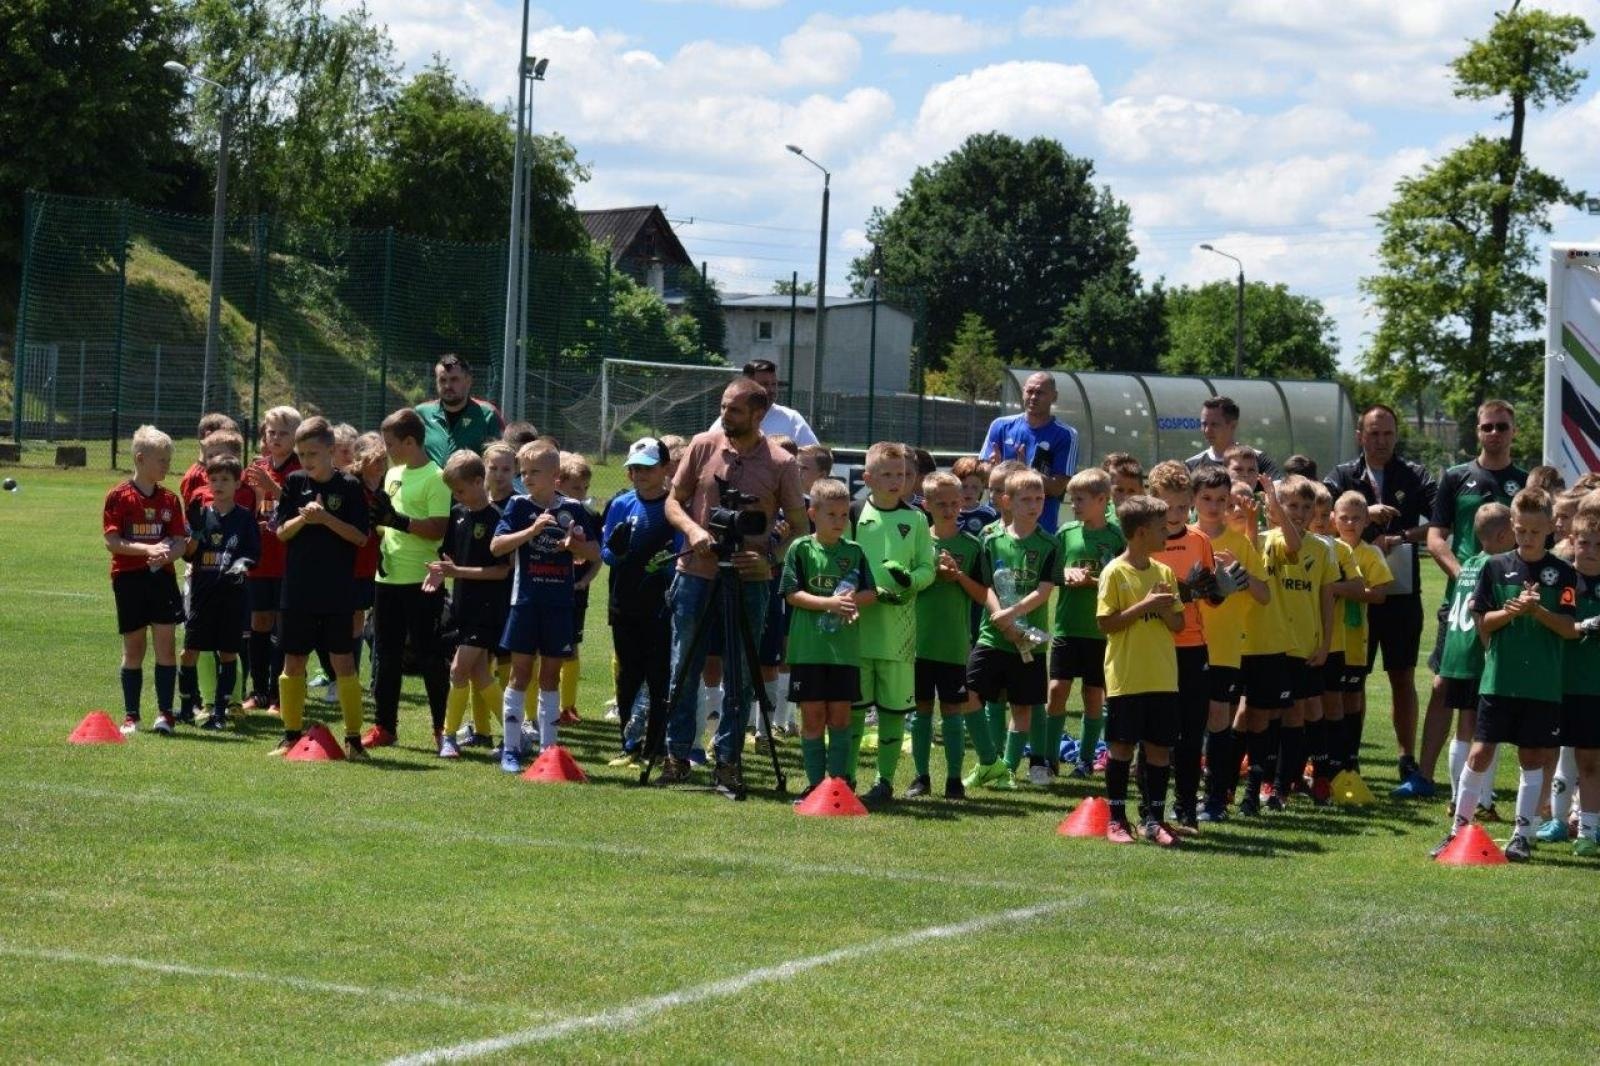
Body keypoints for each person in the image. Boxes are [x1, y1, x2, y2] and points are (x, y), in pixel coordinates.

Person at [660, 378, 807, 797]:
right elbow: (674, 500)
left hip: (751, 580)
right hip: (695, 573)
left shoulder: (781, 462)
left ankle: (728, 761)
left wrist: (769, 558)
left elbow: (799, 526)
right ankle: (677, 755)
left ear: (759, 414)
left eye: (735, 409)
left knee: (741, 673)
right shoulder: (703, 445)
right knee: (683, 666)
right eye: (724, 406)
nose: (726, 415)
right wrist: (692, 530)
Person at [1432, 487, 1580, 863]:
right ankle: (1457, 830)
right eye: (1522, 530)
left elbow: (1568, 628)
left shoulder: (1563, 574)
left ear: (1550, 527)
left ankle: (1521, 835)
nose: (1528, 537)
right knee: (1480, 752)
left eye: (1536, 530)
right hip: (1498, 680)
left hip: (1542, 685)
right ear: (1512, 527)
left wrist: (1538, 613)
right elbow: (1483, 622)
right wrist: (1512, 612)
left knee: (1532, 757)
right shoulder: (1494, 568)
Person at [1407, 400, 1529, 798]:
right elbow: (1435, 536)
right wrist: (1464, 577)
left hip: (1507, 605)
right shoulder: (1456, 478)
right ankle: (1423, 775)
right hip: (1458, 602)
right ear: (1477, 430)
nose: (1494, 433)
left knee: (1490, 689)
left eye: (1502, 427)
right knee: (1444, 684)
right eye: (1487, 427)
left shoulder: (1525, 484)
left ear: (1514, 431)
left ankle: (1482, 788)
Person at [1323, 404, 1438, 796]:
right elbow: (1320, 519)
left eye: (1388, 433)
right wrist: (1365, 515)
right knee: (1350, 681)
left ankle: (1407, 758)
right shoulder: (1341, 476)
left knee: (1403, 676)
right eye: (1374, 433)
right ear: (1360, 435)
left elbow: (1442, 523)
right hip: (1353, 597)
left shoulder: (1416, 475)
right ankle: (1345, 756)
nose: (1382, 440)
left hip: (1401, 593)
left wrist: (1402, 537)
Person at [267, 416, 370, 758]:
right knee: (293, 662)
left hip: (337, 592)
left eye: (313, 453)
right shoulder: (295, 483)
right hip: (297, 590)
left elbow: (360, 537)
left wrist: (326, 518)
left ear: (330, 450)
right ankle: (290, 735)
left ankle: (354, 740)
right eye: (302, 453)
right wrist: (303, 518)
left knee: (344, 664)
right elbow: (281, 532)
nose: (307, 460)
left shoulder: (350, 487)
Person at [491, 441, 595, 773]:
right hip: (525, 602)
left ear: (555, 476)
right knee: (521, 673)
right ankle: (510, 748)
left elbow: (597, 552)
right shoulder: (518, 506)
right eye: (523, 473)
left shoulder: (574, 509)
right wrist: (531, 531)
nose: (527, 478)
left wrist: (575, 544)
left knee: (550, 675)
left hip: (559, 604)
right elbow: (496, 546)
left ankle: (549, 750)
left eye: (534, 472)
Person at [1096, 494, 1186, 845]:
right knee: (1121, 749)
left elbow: (1178, 624)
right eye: (1162, 529)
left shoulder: (1163, 572)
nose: (1168, 534)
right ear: (1141, 533)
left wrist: (1164, 610)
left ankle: (1154, 820)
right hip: (1128, 677)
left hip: (1162, 677)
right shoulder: (1115, 572)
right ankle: (1117, 820)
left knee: (1160, 749)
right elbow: (1106, 623)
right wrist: (1146, 604)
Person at [850, 442, 935, 806]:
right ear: (868, 478)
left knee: (892, 710)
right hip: (856, 630)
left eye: (901, 475)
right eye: (886, 474)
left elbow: (927, 569)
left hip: (898, 635)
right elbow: (841, 560)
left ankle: (883, 781)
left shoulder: (916, 519)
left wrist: (909, 582)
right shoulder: (853, 513)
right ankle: (845, 778)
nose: (895, 481)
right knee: (853, 710)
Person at [964, 468, 1060, 790]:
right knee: (968, 692)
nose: (1034, 505)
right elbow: (986, 586)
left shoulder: (1049, 543)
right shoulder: (991, 539)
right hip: (993, 636)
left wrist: (1015, 616)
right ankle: (989, 762)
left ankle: (1007, 769)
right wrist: (1000, 617)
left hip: (1029, 641)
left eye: (1040, 499)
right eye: (1026, 499)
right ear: (1007, 501)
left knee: (1022, 708)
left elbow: (1044, 590)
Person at [780, 478, 875, 800]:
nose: (838, 522)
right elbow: (792, 594)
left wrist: (851, 603)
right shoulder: (801, 549)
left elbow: (870, 592)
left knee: (840, 716)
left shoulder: (855, 552)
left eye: (843, 515)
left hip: (844, 652)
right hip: (808, 650)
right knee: (813, 716)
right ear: (812, 514)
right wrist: (830, 603)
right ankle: (815, 785)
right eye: (831, 515)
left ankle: (838, 784)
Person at [365, 409, 452, 749]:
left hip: (423, 579)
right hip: (387, 579)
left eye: (390, 444)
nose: (386, 450)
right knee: (386, 655)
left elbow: (437, 529)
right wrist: (378, 534)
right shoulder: (393, 474)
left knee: (430, 654)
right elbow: (387, 523)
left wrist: (397, 521)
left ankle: (442, 728)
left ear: (410, 441)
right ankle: (384, 727)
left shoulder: (436, 477)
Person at [601, 438, 684, 768]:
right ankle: (629, 744)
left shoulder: (674, 507)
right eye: (634, 468)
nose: (640, 474)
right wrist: (616, 551)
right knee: (628, 675)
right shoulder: (621, 504)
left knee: (659, 676)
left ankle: (656, 747)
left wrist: (664, 565)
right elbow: (607, 553)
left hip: (661, 607)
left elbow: (680, 554)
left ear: (665, 469)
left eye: (648, 468)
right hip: (624, 603)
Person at [1192, 467, 1268, 821]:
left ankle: (1215, 799)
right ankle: (1184, 795)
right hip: (1186, 643)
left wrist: (1241, 573)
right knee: (1187, 721)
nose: (1213, 506)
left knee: (1219, 717)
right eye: (1206, 498)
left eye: (1221, 499)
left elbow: (1265, 594)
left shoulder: (1239, 543)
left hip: (1225, 646)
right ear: (1193, 499)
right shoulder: (1184, 538)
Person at [104, 425, 189, 734]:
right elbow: (113, 542)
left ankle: (166, 714)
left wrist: (169, 555)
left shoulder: (169, 500)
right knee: (134, 648)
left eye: (168, 459)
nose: (167, 465)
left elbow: (179, 541)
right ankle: (131, 716)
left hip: (161, 581)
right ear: (140, 459)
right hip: (129, 580)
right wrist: (148, 549)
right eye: (162, 460)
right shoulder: (119, 496)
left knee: (166, 646)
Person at [1146, 461, 1217, 830]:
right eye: (1168, 507)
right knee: (1154, 733)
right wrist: (1181, 591)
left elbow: (1210, 596)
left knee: (1191, 734)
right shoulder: (1144, 541)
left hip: (1193, 647)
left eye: (1182, 507)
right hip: (1154, 647)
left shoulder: (1199, 540)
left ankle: (1187, 809)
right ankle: (1149, 811)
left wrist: (1218, 589)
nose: (1176, 515)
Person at [908, 471, 986, 798]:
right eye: (941, 503)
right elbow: (906, 585)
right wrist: (929, 575)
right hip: (918, 644)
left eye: (956, 502)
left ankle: (954, 780)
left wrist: (958, 577)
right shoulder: (917, 542)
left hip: (954, 645)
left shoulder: (971, 545)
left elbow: (983, 594)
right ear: (926, 505)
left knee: (953, 711)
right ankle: (921, 777)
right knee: (922, 711)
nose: (950, 508)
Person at [1433, 504, 1513, 820]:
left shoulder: (1469, 563)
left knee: (1465, 727)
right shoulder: (1495, 565)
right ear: (1505, 534)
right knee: (1483, 731)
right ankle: (1480, 801)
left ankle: (1459, 798)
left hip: (1456, 653)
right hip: (1477, 655)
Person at [430, 451, 511, 760]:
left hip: (488, 608)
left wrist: (458, 572)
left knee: (458, 669)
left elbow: (503, 570)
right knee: (480, 676)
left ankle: (448, 736)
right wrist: (439, 573)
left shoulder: (497, 520)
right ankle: (513, 736)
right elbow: (449, 556)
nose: (457, 496)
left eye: (461, 490)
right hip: (463, 605)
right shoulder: (459, 514)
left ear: (480, 482)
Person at [1050, 468, 1124, 778]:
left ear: (1102, 500)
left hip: (1099, 630)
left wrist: (1094, 581)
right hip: (1067, 626)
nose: (1075, 505)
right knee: (1056, 690)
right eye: (1072, 499)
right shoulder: (1066, 533)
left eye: (1080, 500)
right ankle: (1049, 758)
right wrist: (1065, 576)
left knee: (1094, 695)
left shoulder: (1116, 537)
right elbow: (1051, 574)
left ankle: (1084, 761)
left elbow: (1123, 581)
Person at [179, 454, 259, 732]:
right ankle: (189, 705)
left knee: (228, 653)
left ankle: (222, 711)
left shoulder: (245, 519)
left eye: (225, 479)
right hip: (203, 595)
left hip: (232, 597)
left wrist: (238, 567)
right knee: (189, 651)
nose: (218, 484)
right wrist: (195, 535)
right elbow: (189, 556)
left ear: (238, 483)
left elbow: (253, 555)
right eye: (213, 479)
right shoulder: (202, 516)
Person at [1237, 474, 1300, 815]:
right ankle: (1219, 790)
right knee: (1231, 717)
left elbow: (1294, 546)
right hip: (1228, 645)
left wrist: (1274, 506)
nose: (1237, 508)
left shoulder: (1270, 539)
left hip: (1267, 643)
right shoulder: (1211, 540)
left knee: (1260, 717)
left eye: (1244, 503)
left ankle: (1251, 792)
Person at [241, 406, 302, 713]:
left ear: (296, 437)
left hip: (288, 561)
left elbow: (301, 506)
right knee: (259, 622)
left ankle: (280, 696)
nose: (276, 438)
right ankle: (258, 691)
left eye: (284, 433)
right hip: (260, 560)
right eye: (271, 432)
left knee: (283, 626)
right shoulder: (257, 468)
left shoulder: (300, 470)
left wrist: (272, 488)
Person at [978, 371, 1079, 532]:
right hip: (997, 526)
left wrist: (1024, 472)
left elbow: (1057, 488)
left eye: (1040, 392)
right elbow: (982, 473)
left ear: (1054, 396)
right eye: (1029, 391)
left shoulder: (1066, 435)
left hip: (1040, 529)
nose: (1033, 397)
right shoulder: (1000, 425)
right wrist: (992, 470)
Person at [1556, 515, 1600, 856]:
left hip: (1591, 687)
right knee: (1550, 755)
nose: (1591, 551)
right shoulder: (1559, 580)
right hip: (1554, 682)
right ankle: (1554, 820)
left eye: (1599, 545)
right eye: (1584, 542)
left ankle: (1589, 828)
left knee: (1588, 759)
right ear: (1572, 540)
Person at [555, 453, 601, 725]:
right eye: (576, 488)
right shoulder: (546, 512)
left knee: (571, 647)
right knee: (543, 650)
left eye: (585, 488)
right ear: (558, 483)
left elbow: (598, 557)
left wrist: (585, 581)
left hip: (576, 593)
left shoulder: (590, 515)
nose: (582, 493)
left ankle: (568, 706)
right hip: (547, 590)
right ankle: (540, 708)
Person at [416, 354, 505, 467]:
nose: (448, 385)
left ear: (468, 381)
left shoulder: (487, 415)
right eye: (442, 380)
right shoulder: (421, 414)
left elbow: (502, 459)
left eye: (454, 379)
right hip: (430, 484)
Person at [706, 358, 819, 446]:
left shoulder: (791, 420)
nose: (771, 390)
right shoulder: (726, 421)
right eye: (764, 384)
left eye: (774, 384)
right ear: (746, 385)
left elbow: (813, 456)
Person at [1186, 396, 1279, 479]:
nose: (1207, 430)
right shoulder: (1192, 465)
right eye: (1204, 424)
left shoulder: (1258, 460)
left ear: (1233, 425)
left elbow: (1279, 493)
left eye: (1214, 425)